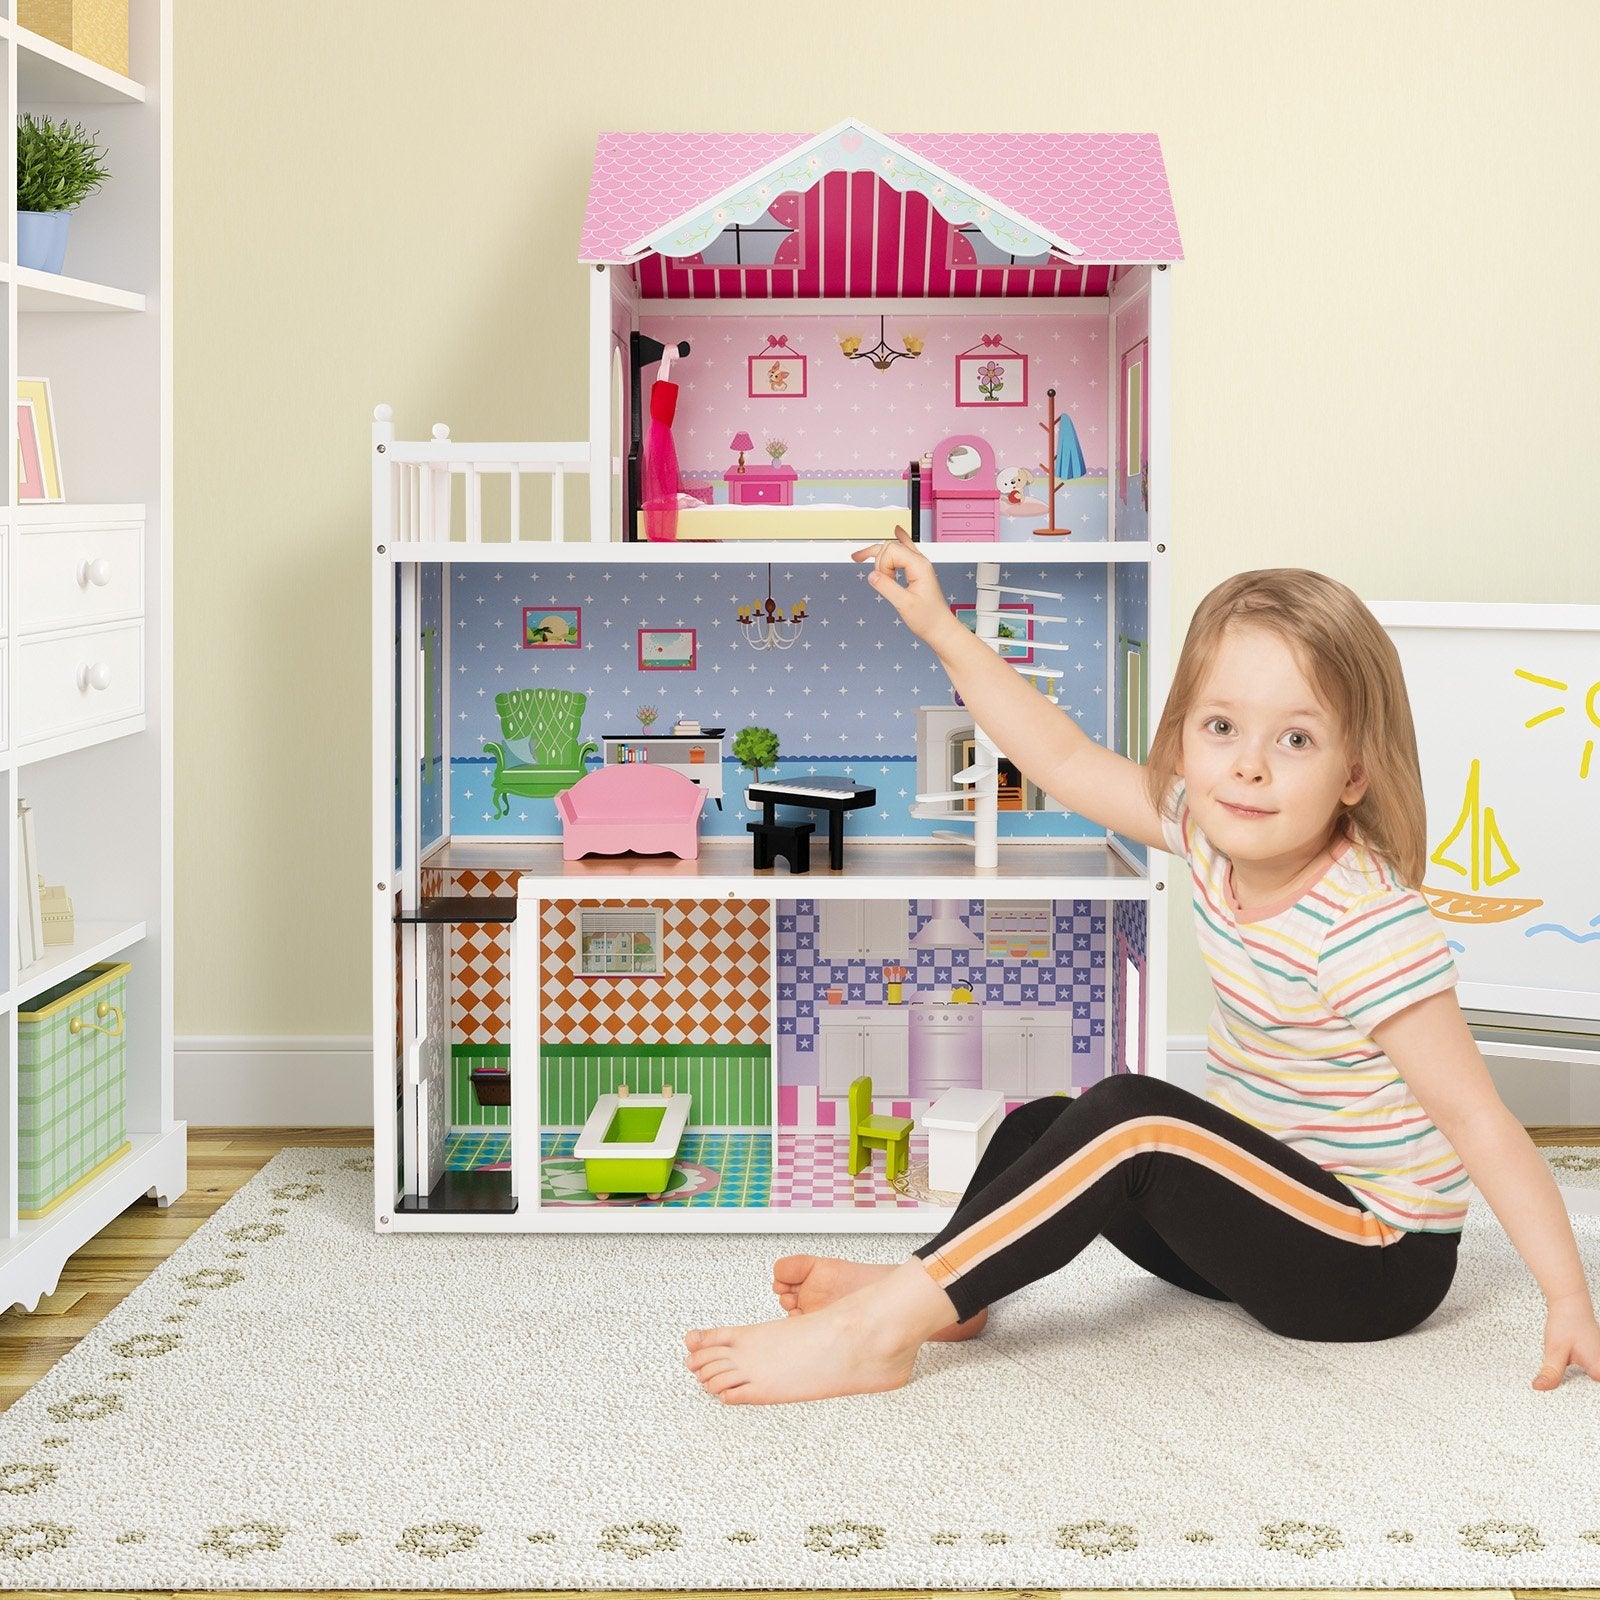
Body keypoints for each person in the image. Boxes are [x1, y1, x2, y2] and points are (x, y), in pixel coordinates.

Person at [684, 536, 1600, 1405]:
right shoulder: (1209, 833)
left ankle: (880, 1330)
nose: (1248, 767)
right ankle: (951, 1292)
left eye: (1296, 740)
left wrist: (1566, 1297)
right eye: (1221, 727)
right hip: (1262, 1225)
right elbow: (1061, 755)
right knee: (1051, 1120)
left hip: (1368, 1263)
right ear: (1185, 736)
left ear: (1354, 772)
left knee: (1132, 1115)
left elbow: (1477, 1116)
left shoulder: (1366, 924)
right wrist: (941, 629)